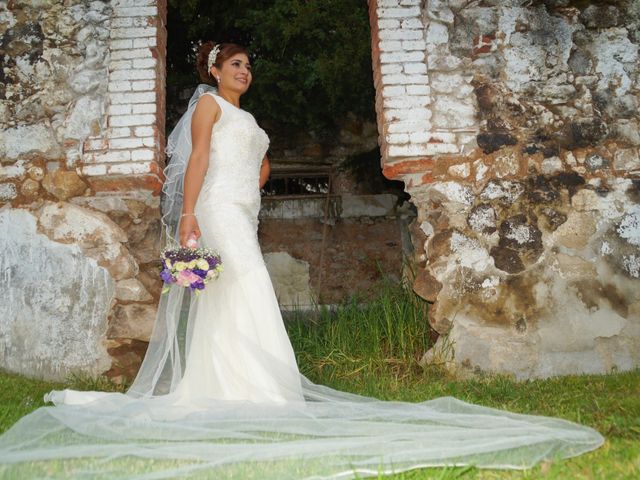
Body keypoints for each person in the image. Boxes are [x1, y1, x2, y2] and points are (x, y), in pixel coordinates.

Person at [0, 42, 603, 479]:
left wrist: (258, 174)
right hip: (212, 209)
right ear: (214, 70)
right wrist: (187, 216)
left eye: (248, 65)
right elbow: (200, 158)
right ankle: (249, 386)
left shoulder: (250, 117)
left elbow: (255, 162)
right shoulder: (210, 106)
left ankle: (237, 383)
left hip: (242, 206)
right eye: (236, 64)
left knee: (237, 293)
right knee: (247, 285)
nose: (245, 71)